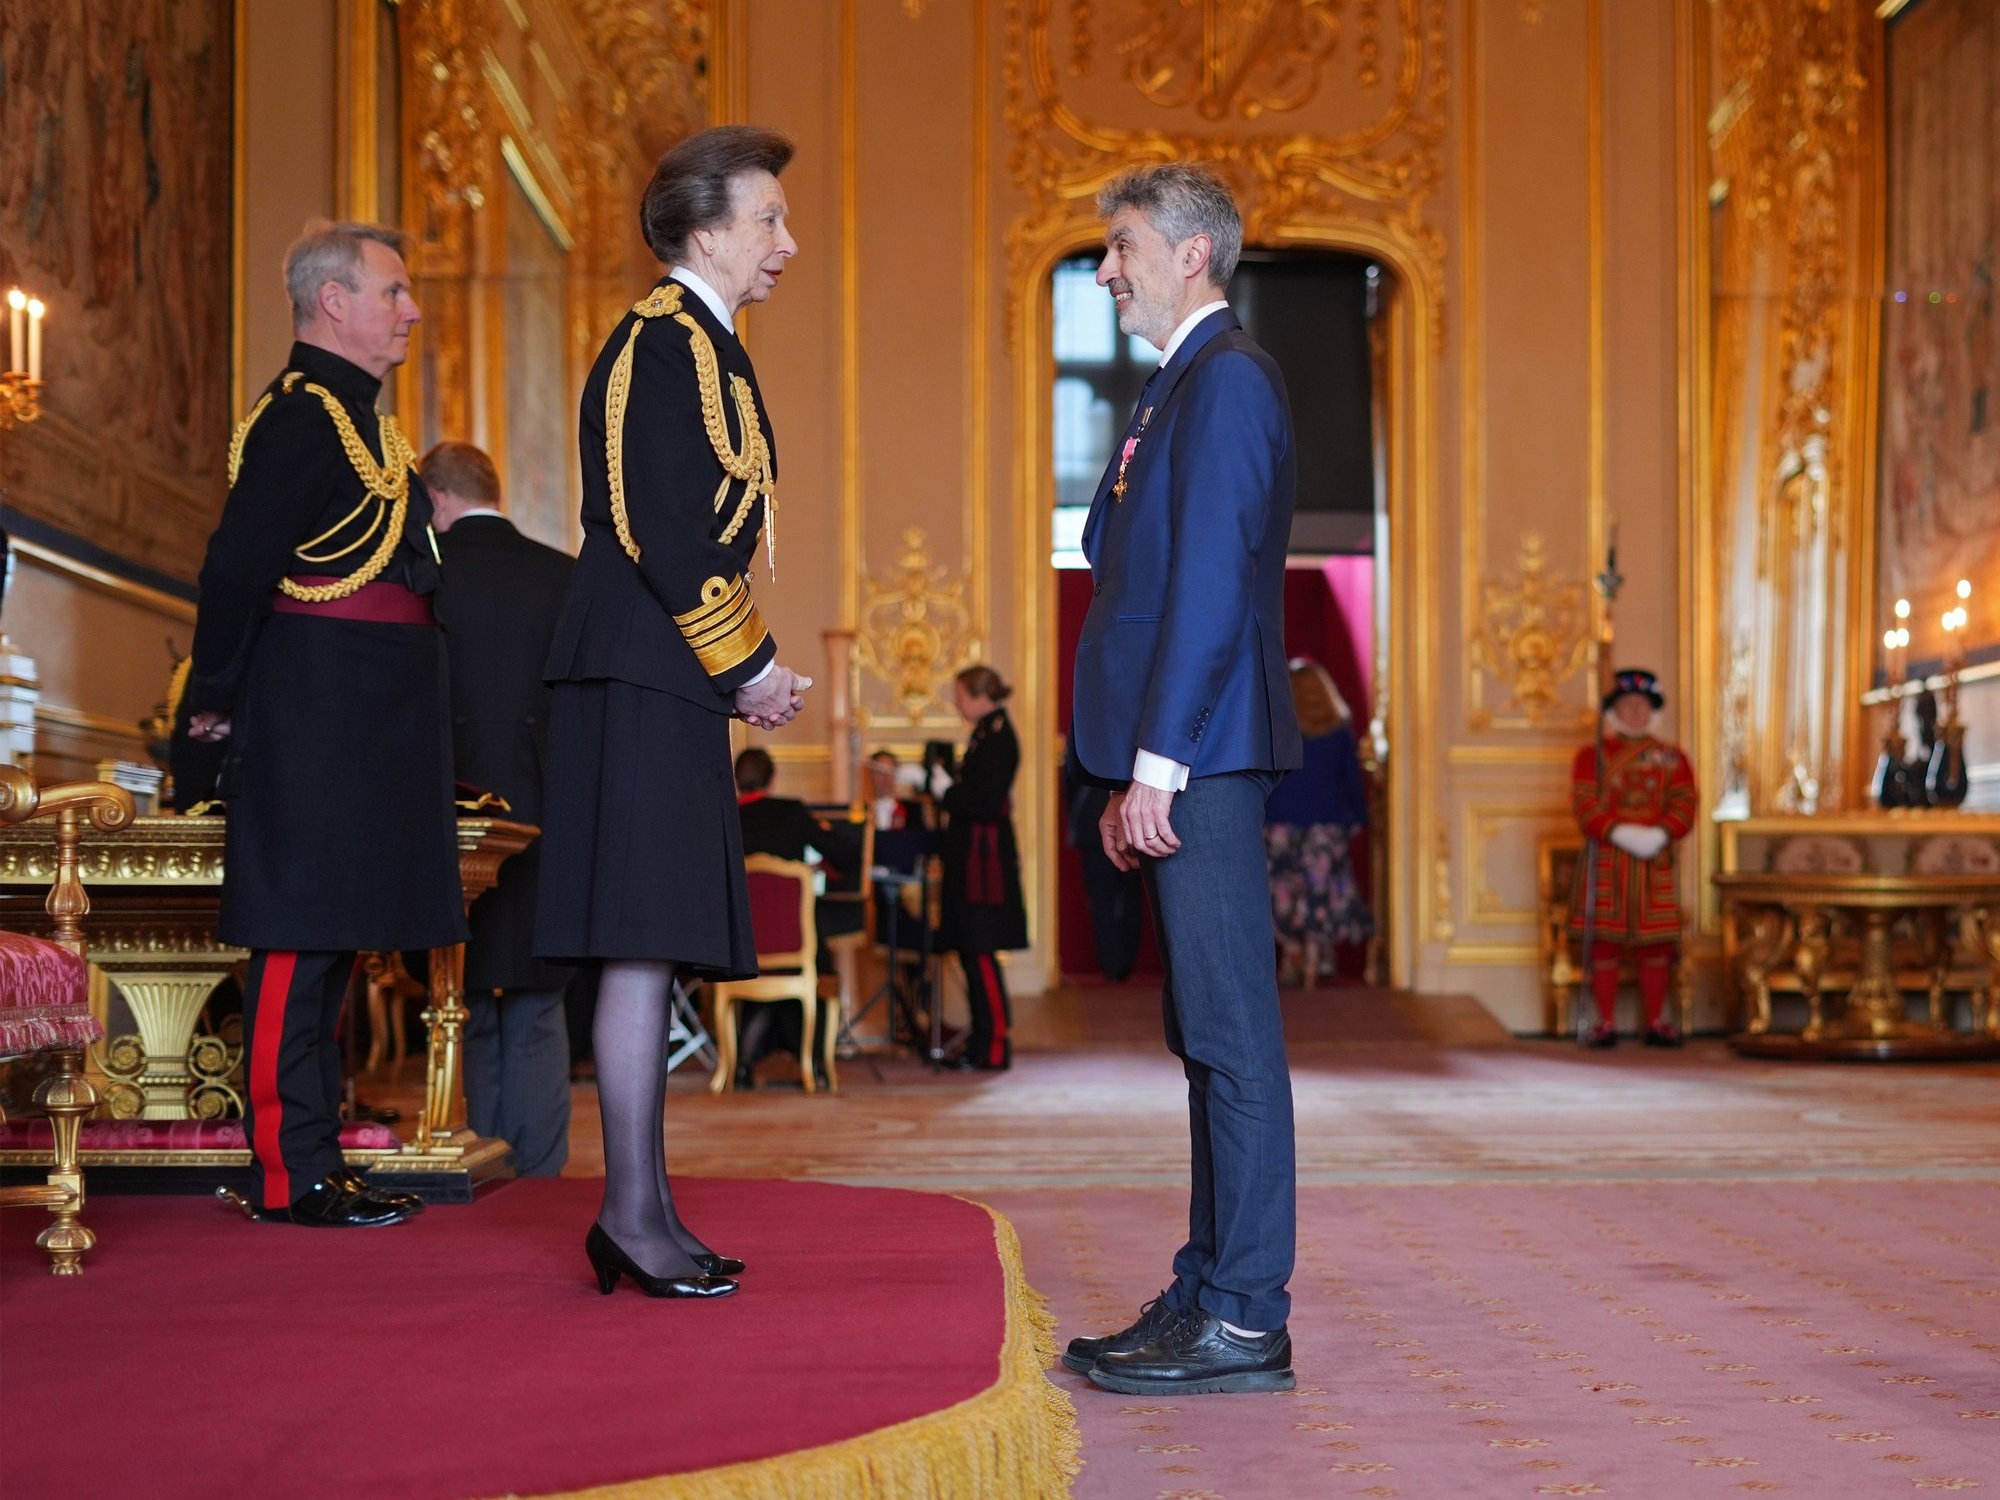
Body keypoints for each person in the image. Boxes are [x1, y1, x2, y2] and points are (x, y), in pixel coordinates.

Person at [534, 125, 810, 1299]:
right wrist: (743, 663)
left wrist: (737, 665)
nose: (784, 244)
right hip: (645, 669)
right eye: (767, 220)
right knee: (637, 945)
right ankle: (633, 1217)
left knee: (647, 949)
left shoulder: (703, 340)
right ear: (705, 231)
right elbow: (663, 524)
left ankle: (640, 1211)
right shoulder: (667, 340)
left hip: (661, 670)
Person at [1062, 164, 1304, 1395]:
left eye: (1121, 247)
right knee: (1203, 1037)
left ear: (1192, 253)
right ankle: (1208, 1287)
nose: (1106, 268)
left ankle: (1245, 1316)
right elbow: (1141, 575)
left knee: (1231, 1036)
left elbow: (1209, 585)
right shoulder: (1180, 386)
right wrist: (1126, 773)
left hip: (1201, 754)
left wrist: (1157, 764)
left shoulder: (1228, 383)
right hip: (1178, 753)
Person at [174, 221, 456, 1227]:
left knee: (334, 948)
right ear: (333, 302)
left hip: (364, 719)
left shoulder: (367, 426)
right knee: (296, 946)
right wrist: (209, 708)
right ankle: (287, 1176)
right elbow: (236, 572)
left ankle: (319, 1154)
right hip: (311, 716)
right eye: (394, 290)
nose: (410, 309)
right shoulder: (298, 417)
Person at [425, 440, 576, 1175]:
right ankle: (542, 1175)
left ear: (435, 500)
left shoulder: (425, 574)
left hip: (447, 819)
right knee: (539, 1010)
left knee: (466, 1007)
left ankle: (483, 1163)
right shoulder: (563, 577)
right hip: (546, 816)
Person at [1568, 668, 1696, 1048]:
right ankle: (1604, 1023)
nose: (1635, 712)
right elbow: (1584, 804)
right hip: (1607, 861)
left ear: (1652, 710)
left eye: (1642, 705)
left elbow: (1686, 804)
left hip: (1654, 864)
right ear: (1615, 710)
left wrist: (1659, 834)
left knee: (1656, 945)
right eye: (1628, 705)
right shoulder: (1591, 756)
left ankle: (1656, 1021)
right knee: (1604, 942)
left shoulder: (1673, 758)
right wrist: (1620, 832)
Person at [730, 746, 864, 1088]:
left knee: (761, 967)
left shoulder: (725, 816)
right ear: (772, 781)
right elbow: (848, 854)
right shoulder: (791, 813)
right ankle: (815, 1062)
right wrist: (815, 869)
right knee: (814, 961)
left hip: (739, 946)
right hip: (796, 941)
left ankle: (744, 1062)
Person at [930, 665, 1029, 1071]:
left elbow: (985, 803)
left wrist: (946, 791)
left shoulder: (997, 735)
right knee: (974, 952)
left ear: (978, 695)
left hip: (982, 862)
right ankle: (982, 1042)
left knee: (981, 952)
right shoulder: (988, 731)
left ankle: (992, 1045)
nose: (956, 703)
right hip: (975, 857)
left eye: (960, 695)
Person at [1263, 659, 1372, 986]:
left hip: (1278, 821)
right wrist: (1358, 816)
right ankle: (1313, 956)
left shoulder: (1275, 729)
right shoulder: (1338, 731)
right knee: (1319, 890)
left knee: (1283, 889)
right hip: (1326, 823)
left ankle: (1292, 952)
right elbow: (1350, 781)